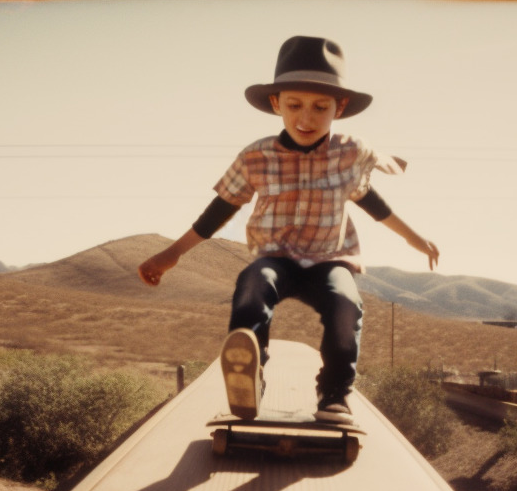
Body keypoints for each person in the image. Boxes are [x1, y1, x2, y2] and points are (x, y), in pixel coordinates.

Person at [138, 36, 439, 424]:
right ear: (276, 103)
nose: (306, 118)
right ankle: (249, 377)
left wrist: (414, 237)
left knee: (346, 305)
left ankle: (334, 394)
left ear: (339, 107)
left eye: (320, 107)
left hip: (329, 260)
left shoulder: (350, 152)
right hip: (274, 258)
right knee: (251, 287)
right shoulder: (256, 156)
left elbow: (369, 199)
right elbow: (220, 209)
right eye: (294, 105)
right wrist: (172, 253)